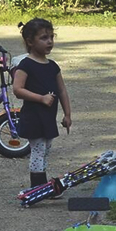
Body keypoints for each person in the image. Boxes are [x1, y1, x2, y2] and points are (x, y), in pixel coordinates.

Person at [12, 18, 73, 189]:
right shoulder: (26, 65)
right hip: (33, 117)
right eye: (44, 38)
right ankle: (37, 187)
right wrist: (41, 98)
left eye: (52, 37)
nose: (50, 42)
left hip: (47, 117)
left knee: (45, 150)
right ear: (30, 42)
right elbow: (17, 89)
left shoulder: (53, 66)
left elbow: (62, 91)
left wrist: (67, 115)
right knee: (38, 151)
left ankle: (43, 186)